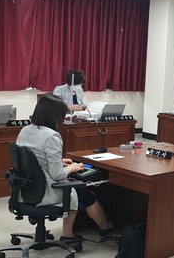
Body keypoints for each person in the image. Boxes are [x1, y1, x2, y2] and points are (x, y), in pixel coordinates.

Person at [16, 95, 116, 240]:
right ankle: (104, 227)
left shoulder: (25, 130)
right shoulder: (52, 136)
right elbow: (57, 175)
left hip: (26, 189)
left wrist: (59, 161)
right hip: (46, 191)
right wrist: (72, 167)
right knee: (87, 196)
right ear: (55, 116)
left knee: (76, 192)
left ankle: (70, 232)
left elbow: (33, 158)